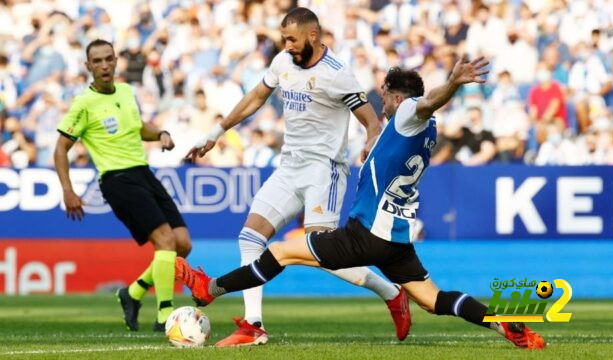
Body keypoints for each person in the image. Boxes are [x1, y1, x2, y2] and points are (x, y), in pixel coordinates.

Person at [177, 56, 546, 350]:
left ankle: (209, 290)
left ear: (398, 97)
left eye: (384, 95)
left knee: (279, 252)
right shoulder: (423, 131)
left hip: (367, 233)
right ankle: (503, 324)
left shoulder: (409, 112)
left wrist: (451, 83)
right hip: (396, 241)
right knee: (434, 301)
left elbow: (428, 101)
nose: (379, 102)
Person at [186, 7, 409, 346]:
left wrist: (370, 142)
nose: (287, 45)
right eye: (284, 39)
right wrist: (216, 132)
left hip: (325, 171)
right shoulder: (282, 63)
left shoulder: (337, 73)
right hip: (289, 166)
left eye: (292, 39)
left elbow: (372, 122)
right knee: (249, 237)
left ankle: (391, 293)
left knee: (324, 253)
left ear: (313, 36)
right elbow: (256, 97)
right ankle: (253, 326)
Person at [53, 39, 191, 332]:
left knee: (182, 245)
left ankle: (133, 293)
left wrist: (161, 135)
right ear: (88, 66)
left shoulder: (127, 91)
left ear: (116, 61)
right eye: (97, 61)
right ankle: (165, 316)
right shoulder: (84, 104)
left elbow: (138, 127)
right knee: (165, 241)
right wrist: (67, 190)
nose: (104, 66)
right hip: (117, 179)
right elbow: (60, 148)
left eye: (108, 59)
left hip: (143, 172)